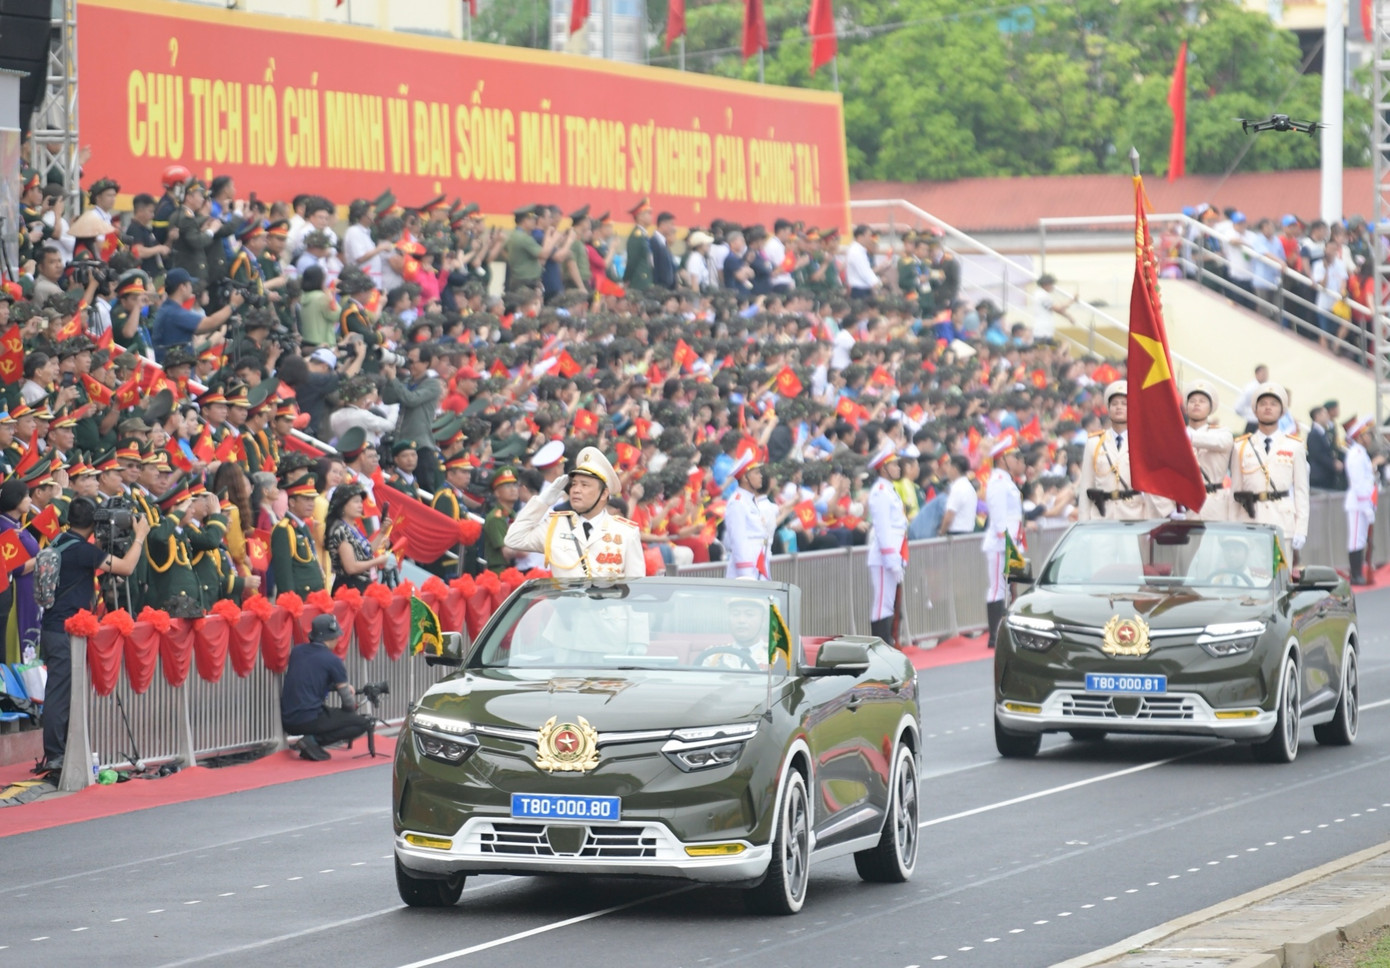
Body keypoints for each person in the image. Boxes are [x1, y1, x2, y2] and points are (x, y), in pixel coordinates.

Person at [37, 495, 150, 775]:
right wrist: (139, 537)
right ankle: (55, 755)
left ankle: (61, 751)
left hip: (54, 628)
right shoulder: (82, 551)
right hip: (65, 631)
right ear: (94, 522)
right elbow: (126, 567)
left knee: (61, 691)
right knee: (60, 693)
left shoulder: (62, 541)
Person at [504, 447, 645, 579]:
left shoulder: (626, 532)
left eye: (584, 485)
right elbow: (514, 539)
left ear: (604, 494)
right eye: (574, 484)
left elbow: (635, 588)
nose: (576, 490)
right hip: (567, 604)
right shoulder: (555, 525)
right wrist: (541, 502)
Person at [1230, 382, 1310, 561]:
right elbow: (1235, 492)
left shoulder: (1294, 446)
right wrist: (1232, 528)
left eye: (1273, 404)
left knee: (1280, 580)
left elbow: (1301, 492)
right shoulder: (1241, 446)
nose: (1268, 407)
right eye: (1263, 403)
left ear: (1282, 411)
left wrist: (1301, 529)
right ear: (1255, 410)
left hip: (1282, 522)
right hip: (1250, 522)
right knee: (1252, 579)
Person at [1077, 380, 1173, 521]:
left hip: (1134, 515)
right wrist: (1083, 523)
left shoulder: (1144, 442)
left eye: (1124, 404)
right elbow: (1086, 485)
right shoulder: (1095, 443)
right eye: (1114, 404)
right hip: (1103, 517)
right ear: (1108, 408)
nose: (1119, 408)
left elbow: (1155, 484)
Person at [279, 614, 371, 761]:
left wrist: (339, 686)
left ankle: (309, 742)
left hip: (288, 719)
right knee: (362, 723)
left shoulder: (297, 651)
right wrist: (349, 711)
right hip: (310, 718)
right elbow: (347, 702)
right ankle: (312, 742)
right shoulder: (333, 661)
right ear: (333, 638)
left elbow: (312, 678)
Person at [982, 434, 1024, 649]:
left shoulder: (1006, 480)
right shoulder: (998, 481)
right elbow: (999, 517)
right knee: (997, 588)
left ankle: (1003, 631)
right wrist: (1006, 542)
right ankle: (994, 635)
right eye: (1013, 457)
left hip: (1011, 541)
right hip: (1002, 543)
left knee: (1006, 589)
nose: (1018, 461)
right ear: (1002, 459)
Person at [866, 443, 907, 646]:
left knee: (888, 604)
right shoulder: (880, 491)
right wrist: (892, 559)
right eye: (894, 464)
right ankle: (881, 647)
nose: (898, 468)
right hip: (884, 555)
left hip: (893, 552)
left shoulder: (889, 490)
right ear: (883, 468)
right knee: (882, 603)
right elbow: (883, 529)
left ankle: (887, 644)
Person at [324, 483, 394, 593]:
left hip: (361, 586)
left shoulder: (353, 526)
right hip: (348, 589)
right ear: (343, 505)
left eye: (361, 501)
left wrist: (382, 533)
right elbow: (351, 567)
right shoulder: (340, 529)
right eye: (356, 501)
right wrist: (376, 561)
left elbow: (366, 552)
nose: (360, 505)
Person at [1184, 381, 1234, 521]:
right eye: (1192, 401)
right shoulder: (1177, 435)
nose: (1196, 404)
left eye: (1202, 401)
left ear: (1210, 408)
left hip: (1214, 503)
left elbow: (1221, 443)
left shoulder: (1222, 433)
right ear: (1186, 407)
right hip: (1185, 502)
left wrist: (1188, 437)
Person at [271, 479, 326, 597]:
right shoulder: (283, 529)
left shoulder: (303, 526)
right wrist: (290, 601)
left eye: (312, 499)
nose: (311, 504)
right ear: (292, 502)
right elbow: (284, 573)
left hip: (314, 596)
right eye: (306, 499)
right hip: (300, 599)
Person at [721, 450, 770, 579]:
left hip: (758, 558)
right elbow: (738, 540)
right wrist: (746, 574)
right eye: (756, 473)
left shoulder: (748, 499)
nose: (761, 476)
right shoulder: (737, 502)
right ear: (744, 478)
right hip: (747, 564)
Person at [1343, 417, 1380, 585]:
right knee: (1356, 539)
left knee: (1361, 538)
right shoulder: (1356, 454)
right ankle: (1356, 574)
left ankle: (1358, 573)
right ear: (1359, 436)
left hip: (1363, 502)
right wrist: (1365, 505)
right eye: (1367, 434)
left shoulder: (1361, 453)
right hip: (1358, 503)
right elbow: (1358, 483)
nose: (1370, 438)